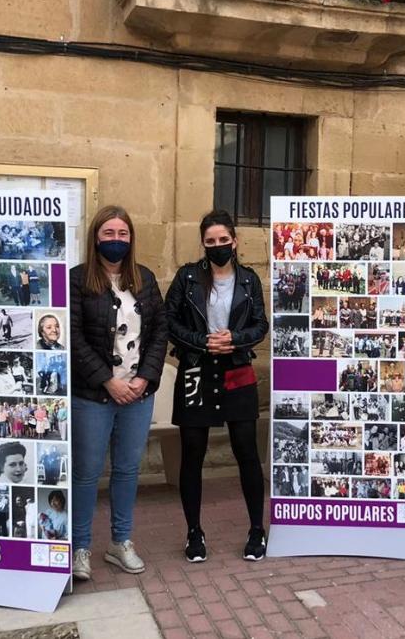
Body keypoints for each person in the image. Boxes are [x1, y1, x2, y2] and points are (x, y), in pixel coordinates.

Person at [165, 210, 270, 564]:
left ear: (235, 241)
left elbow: (260, 325)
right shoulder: (188, 277)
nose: (217, 246)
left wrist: (235, 339)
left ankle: (257, 529)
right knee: (192, 453)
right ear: (203, 244)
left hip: (237, 370)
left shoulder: (248, 280)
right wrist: (202, 341)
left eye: (223, 240)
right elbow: (170, 321)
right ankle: (194, 532)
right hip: (196, 368)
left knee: (246, 451)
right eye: (210, 241)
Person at [70, 206, 168, 580]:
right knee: (87, 473)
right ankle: (80, 547)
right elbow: (74, 339)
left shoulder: (143, 278)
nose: (115, 240)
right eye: (108, 233)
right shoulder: (78, 280)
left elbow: (159, 331)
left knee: (127, 470)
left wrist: (145, 377)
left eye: (122, 234)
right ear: (96, 237)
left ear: (131, 238)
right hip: (93, 396)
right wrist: (107, 381)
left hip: (137, 396)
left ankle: (119, 542)